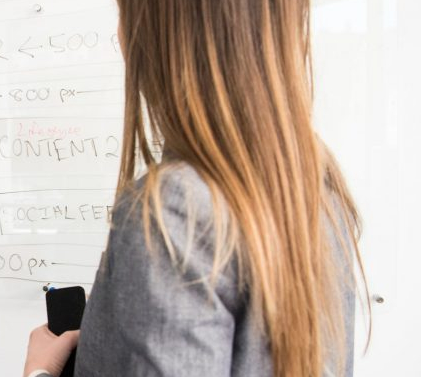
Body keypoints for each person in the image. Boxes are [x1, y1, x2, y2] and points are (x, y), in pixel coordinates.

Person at [23, 0, 368, 376]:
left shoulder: (175, 208)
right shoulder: (320, 188)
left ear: (155, 36)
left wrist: (39, 372)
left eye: (123, 16)